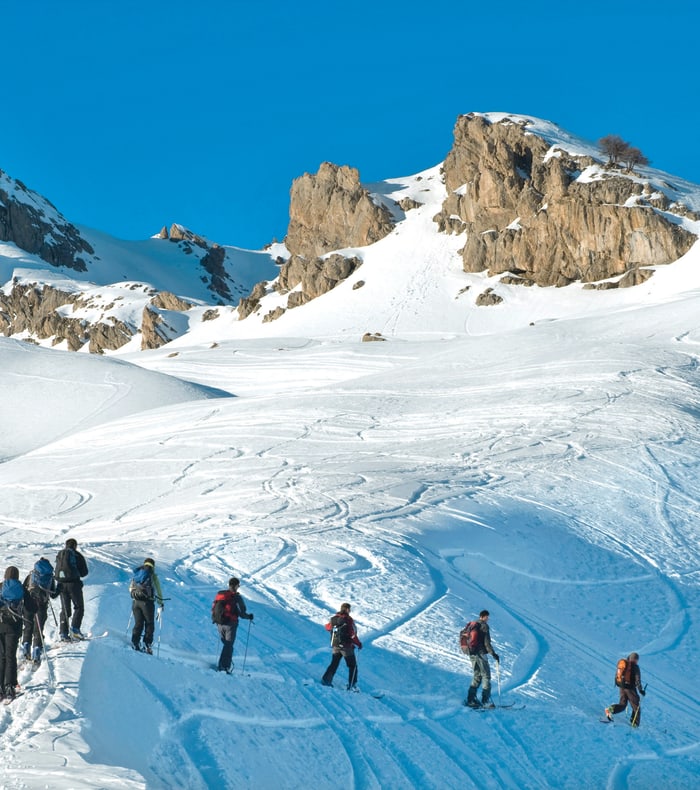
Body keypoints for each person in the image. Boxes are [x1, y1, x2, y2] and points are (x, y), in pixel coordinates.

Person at [0, 566, 36, 702]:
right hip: (14, 627)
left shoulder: (1, 586)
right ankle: (9, 687)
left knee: (1, 656)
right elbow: (32, 608)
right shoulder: (21, 588)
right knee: (10, 656)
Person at [21, 557, 60, 665]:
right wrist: (59, 588)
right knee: (38, 628)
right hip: (41, 605)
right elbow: (53, 595)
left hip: (28, 605)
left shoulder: (31, 575)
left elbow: (23, 589)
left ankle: (26, 648)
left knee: (28, 626)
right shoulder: (49, 577)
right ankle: (36, 652)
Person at [211, 577, 254, 673]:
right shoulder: (236, 597)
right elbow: (242, 614)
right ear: (235, 585)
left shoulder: (221, 595)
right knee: (229, 645)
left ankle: (222, 665)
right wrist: (249, 617)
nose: (239, 587)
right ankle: (224, 667)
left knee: (226, 645)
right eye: (238, 585)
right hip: (230, 624)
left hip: (219, 623)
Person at [321, 602, 362, 690]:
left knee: (334, 663)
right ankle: (352, 685)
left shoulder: (334, 618)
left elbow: (327, 627)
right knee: (352, 666)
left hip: (335, 645)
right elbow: (352, 634)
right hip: (346, 647)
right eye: (349, 609)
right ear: (347, 609)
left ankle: (326, 680)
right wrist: (358, 644)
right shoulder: (348, 619)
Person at [464, 610, 500, 708]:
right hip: (480, 653)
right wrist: (493, 654)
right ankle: (485, 701)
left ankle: (470, 699)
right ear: (483, 616)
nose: (488, 619)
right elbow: (487, 643)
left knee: (477, 676)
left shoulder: (472, 624)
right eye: (487, 617)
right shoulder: (484, 626)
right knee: (486, 676)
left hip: (471, 653)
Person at [55, 538, 89, 640]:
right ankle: (75, 629)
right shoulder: (77, 555)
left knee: (65, 609)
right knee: (79, 607)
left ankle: (63, 633)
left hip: (61, 585)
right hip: (74, 585)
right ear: (75, 545)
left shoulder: (60, 555)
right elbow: (84, 573)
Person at [130, 558, 165, 654]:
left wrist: (136, 595)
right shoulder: (152, 576)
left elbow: (131, 588)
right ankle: (147, 645)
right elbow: (158, 590)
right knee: (149, 624)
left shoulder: (137, 574)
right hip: (147, 603)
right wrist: (161, 603)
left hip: (136, 602)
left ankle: (135, 642)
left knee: (138, 623)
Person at [605, 652, 645, 726]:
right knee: (636, 706)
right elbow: (637, 680)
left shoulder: (625, 663)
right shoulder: (635, 667)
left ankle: (610, 709)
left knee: (623, 704)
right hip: (630, 689)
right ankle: (634, 724)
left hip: (622, 686)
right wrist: (640, 690)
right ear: (635, 659)